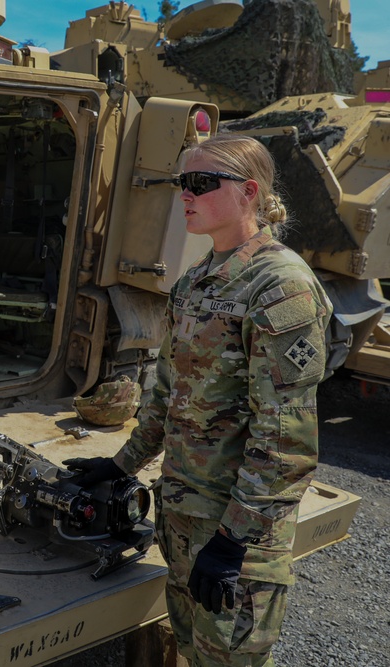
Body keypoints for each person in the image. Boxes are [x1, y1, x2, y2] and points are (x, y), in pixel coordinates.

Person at [64, 134, 331, 666]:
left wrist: (234, 542)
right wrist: (122, 464)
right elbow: (168, 392)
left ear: (249, 192)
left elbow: (285, 439)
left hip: (236, 538)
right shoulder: (196, 282)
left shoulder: (279, 286)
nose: (185, 194)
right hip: (185, 519)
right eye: (181, 182)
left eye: (202, 183)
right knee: (189, 652)